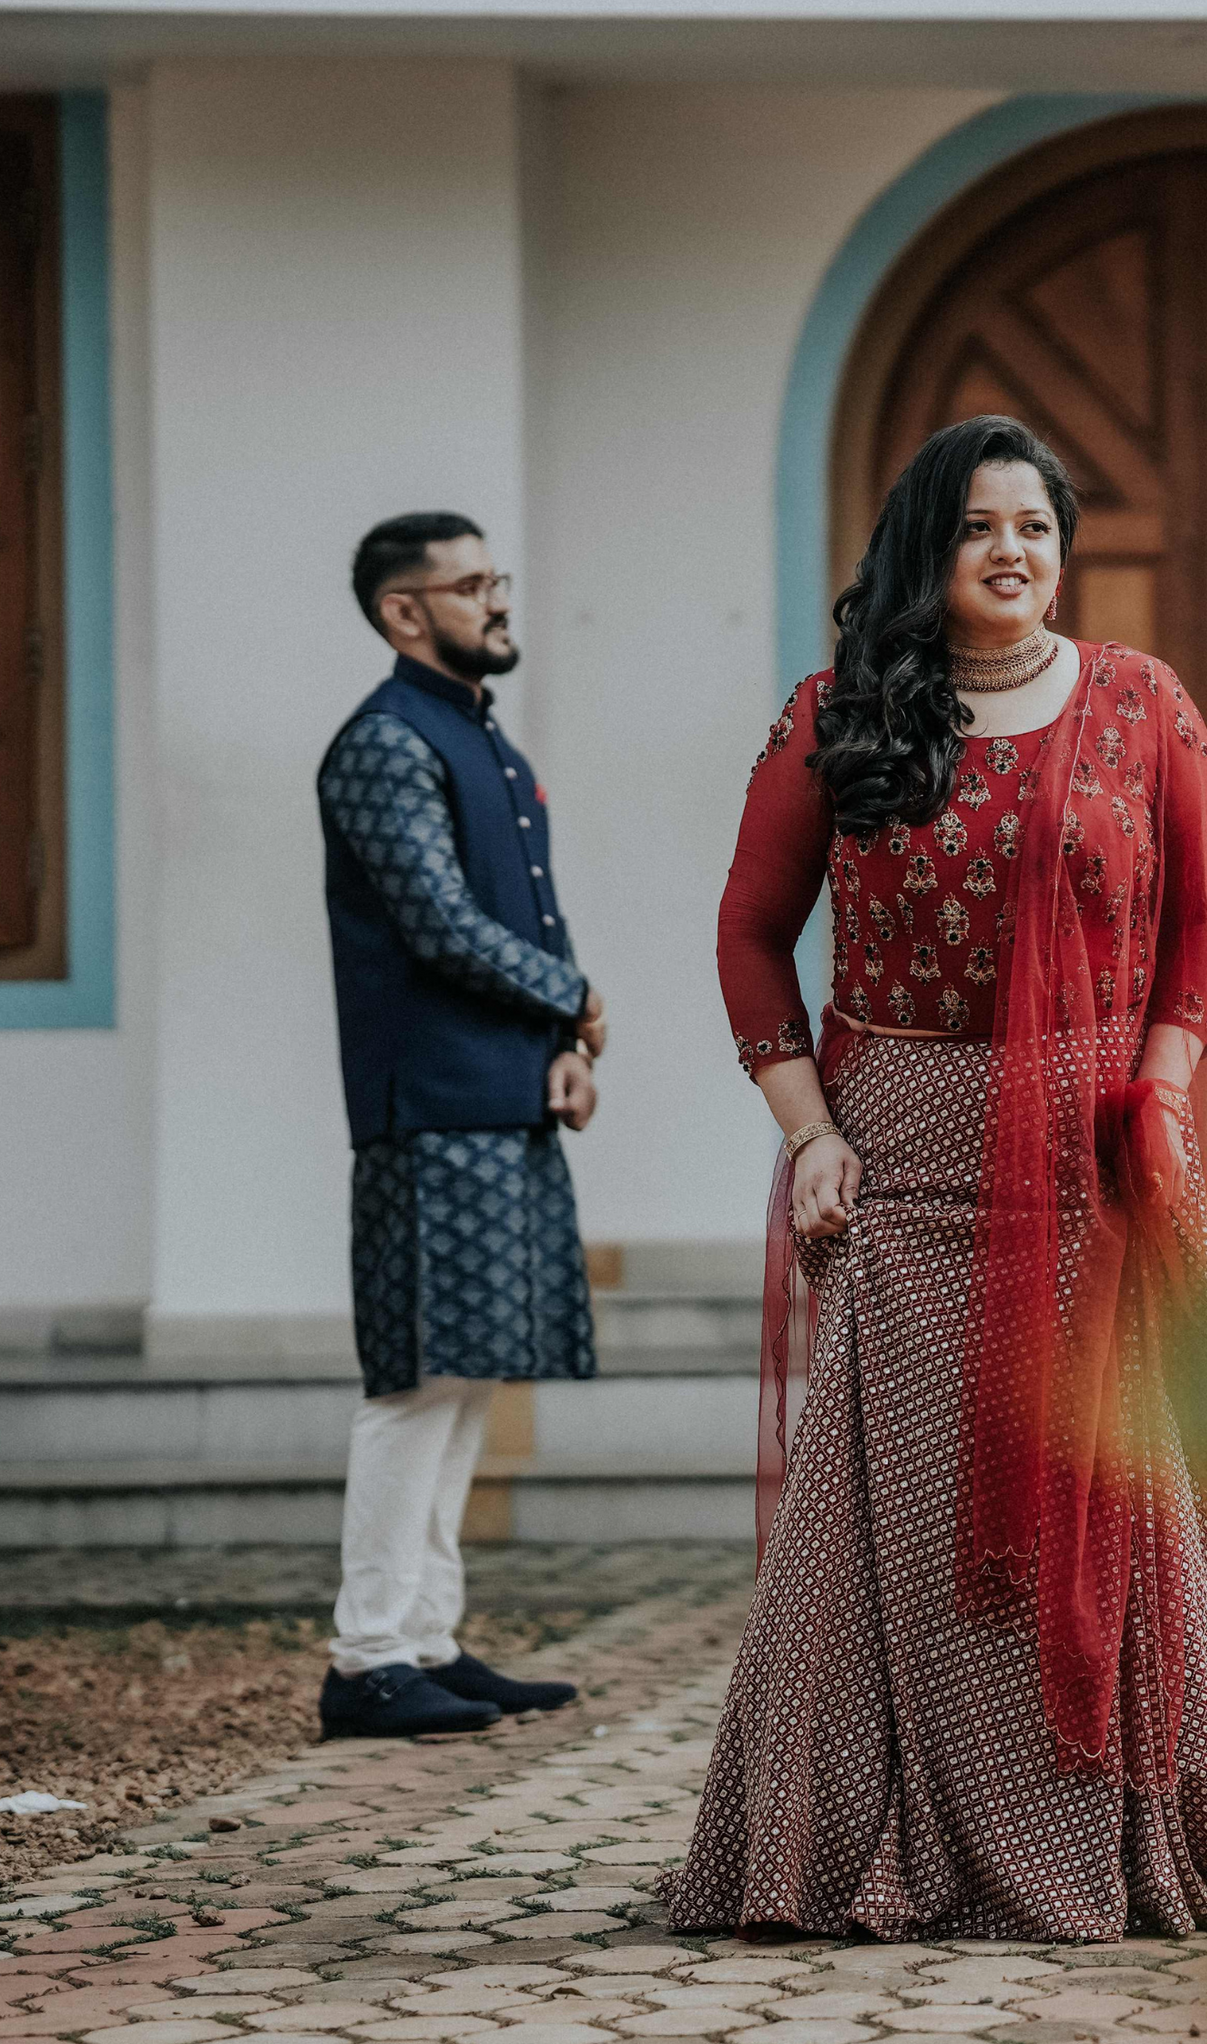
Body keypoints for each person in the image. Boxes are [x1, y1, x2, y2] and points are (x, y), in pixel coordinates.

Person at [661, 417, 1207, 1941]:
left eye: (1036, 528)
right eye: (978, 527)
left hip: (1091, 1159)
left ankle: (1100, 1845)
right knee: (912, 1514)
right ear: (924, 550)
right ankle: (878, 1836)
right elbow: (746, 933)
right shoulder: (838, 716)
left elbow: (1194, 942)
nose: (1012, 553)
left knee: (1103, 1494)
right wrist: (811, 1132)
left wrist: (1160, 1105)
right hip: (905, 1154)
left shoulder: (1141, 708)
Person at [315, 511, 606, 1739]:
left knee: (469, 1369)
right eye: (471, 583)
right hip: (426, 1105)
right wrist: (578, 1001)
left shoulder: (474, 736)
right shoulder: (383, 744)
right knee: (416, 1379)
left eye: (498, 578)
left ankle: (426, 1637)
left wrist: (560, 1047)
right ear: (402, 611)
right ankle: (366, 1658)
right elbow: (437, 923)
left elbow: (524, 912)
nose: (496, 599)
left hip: (498, 1090)